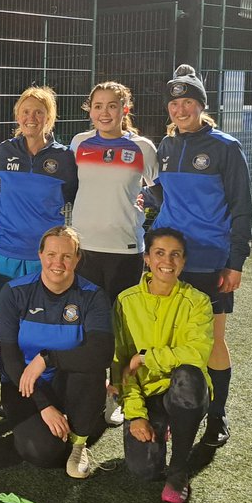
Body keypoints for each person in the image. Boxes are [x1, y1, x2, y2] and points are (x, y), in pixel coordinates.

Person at [149, 64, 252, 448]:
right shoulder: (167, 146)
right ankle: (177, 408)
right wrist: (152, 199)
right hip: (168, 262)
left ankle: (217, 414)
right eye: (175, 103)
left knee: (212, 342)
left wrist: (235, 262)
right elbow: (165, 192)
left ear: (201, 105)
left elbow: (243, 209)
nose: (181, 109)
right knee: (172, 336)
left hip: (210, 261)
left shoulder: (226, 148)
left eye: (188, 102)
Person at [69, 81, 159, 427]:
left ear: (125, 109)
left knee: (122, 329)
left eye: (111, 106)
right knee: (87, 326)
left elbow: (159, 191)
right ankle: (87, 394)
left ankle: (118, 395)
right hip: (85, 250)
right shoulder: (79, 143)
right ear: (89, 110)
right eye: (97, 106)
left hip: (125, 250)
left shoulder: (142, 147)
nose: (104, 113)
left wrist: (148, 215)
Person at [0, 85, 77, 411]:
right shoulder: (2, 153)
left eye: (39, 112)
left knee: (45, 323)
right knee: (5, 325)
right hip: (8, 256)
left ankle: (44, 387)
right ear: (17, 116)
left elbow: (72, 195)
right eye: (25, 112)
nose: (31, 118)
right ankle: (8, 389)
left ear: (49, 118)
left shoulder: (65, 158)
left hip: (46, 259)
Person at [0, 226, 114, 478]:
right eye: (51, 254)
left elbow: (102, 354)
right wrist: (44, 405)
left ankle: (80, 441)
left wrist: (47, 358)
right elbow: (10, 359)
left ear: (77, 259)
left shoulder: (93, 296)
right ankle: (64, 420)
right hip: (25, 385)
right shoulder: (14, 293)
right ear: (40, 255)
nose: (57, 263)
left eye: (66, 256)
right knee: (43, 453)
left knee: (90, 370)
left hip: (71, 380)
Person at [114, 227, 214, 503]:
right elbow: (122, 364)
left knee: (187, 376)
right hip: (146, 394)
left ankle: (179, 469)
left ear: (183, 261)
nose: (167, 262)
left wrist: (147, 358)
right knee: (143, 470)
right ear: (147, 258)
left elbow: (196, 353)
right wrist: (135, 415)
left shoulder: (198, 302)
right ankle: (164, 424)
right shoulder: (125, 301)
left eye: (175, 255)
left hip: (184, 390)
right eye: (159, 253)